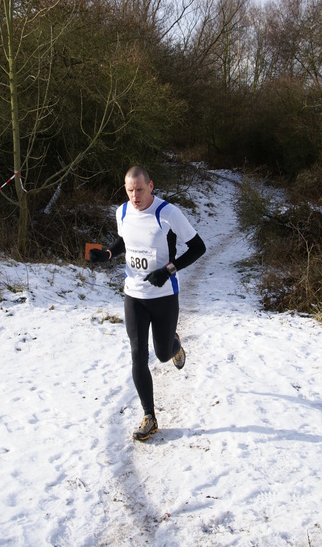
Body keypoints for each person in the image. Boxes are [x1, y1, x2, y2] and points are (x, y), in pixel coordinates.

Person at [89, 166, 206, 441]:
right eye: (130, 190)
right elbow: (124, 242)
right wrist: (107, 253)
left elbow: (198, 247)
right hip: (134, 296)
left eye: (140, 190)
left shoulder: (168, 213)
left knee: (163, 354)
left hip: (164, 296)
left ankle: (174, 345)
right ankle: (149, 416)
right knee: (138, 355)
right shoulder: (123, 211)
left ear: (151, 186)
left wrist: (168, 270)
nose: (135, 196)